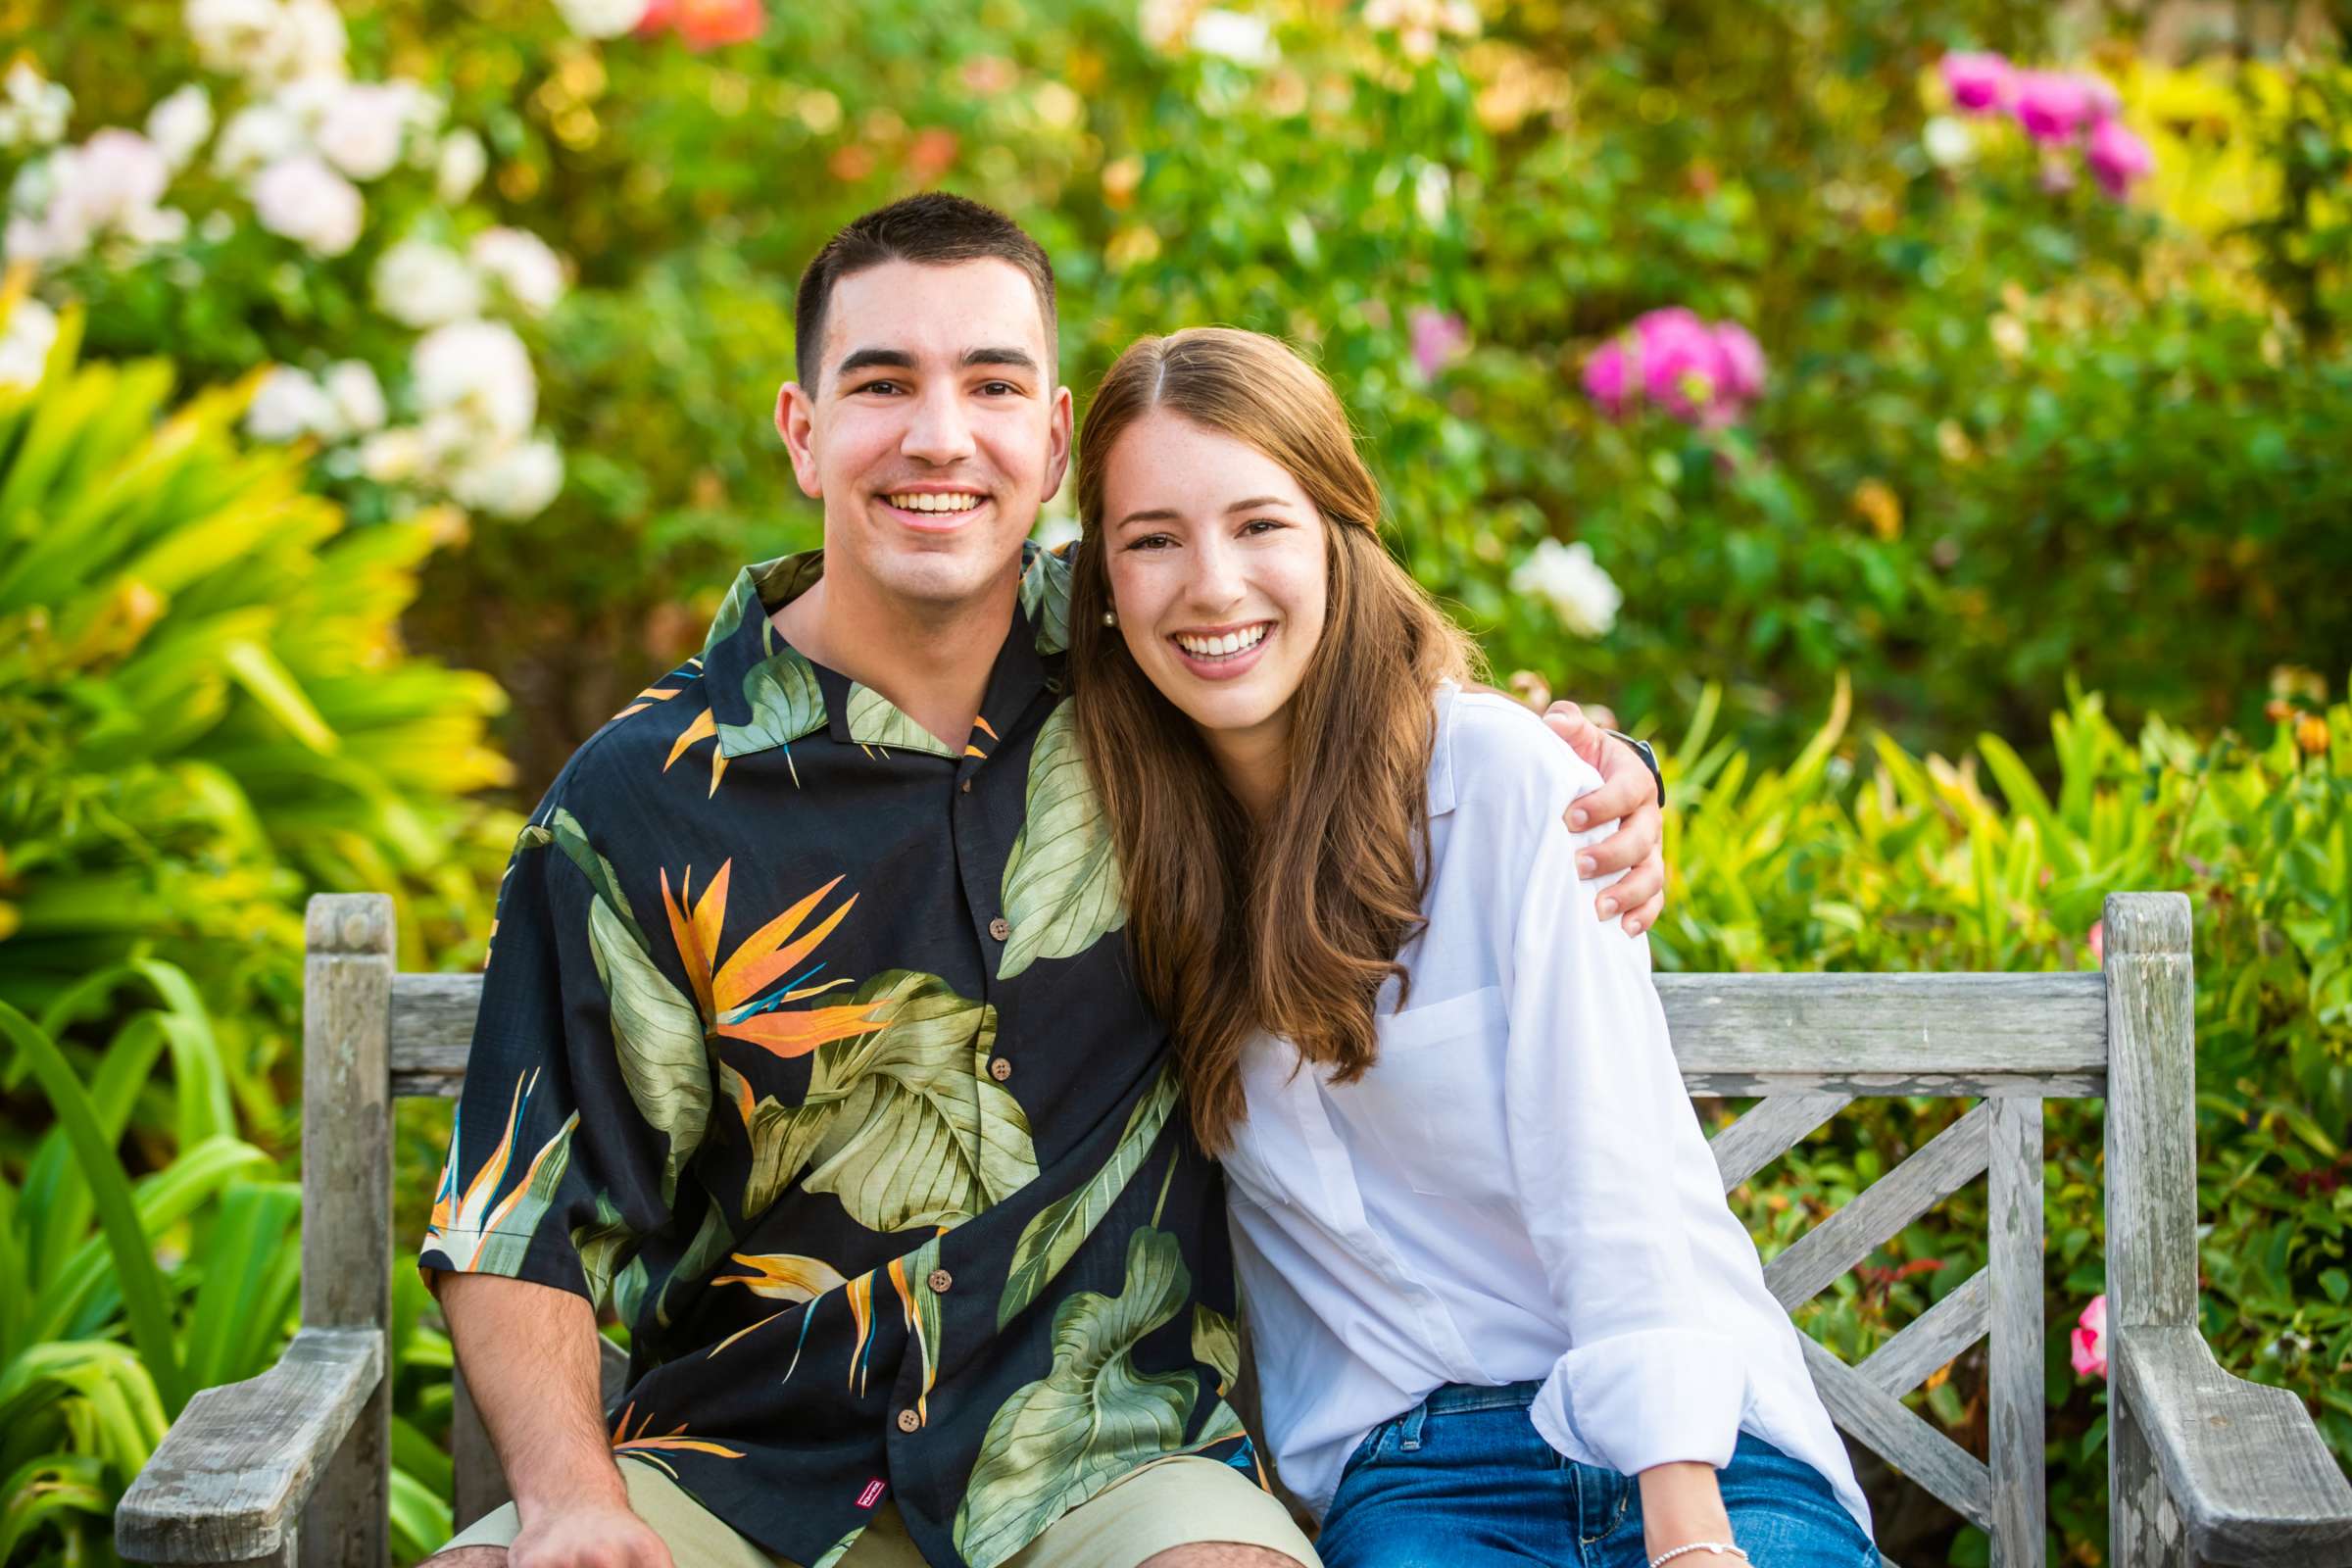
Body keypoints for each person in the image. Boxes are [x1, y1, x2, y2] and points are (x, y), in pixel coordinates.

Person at [418, 195, 1668, 1568]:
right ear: (802, 430)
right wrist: (569, 1500)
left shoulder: (1155, 671)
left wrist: (1609, 766)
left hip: (1112, 1461)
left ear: (1056, 438)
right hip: (744, 1473)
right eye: (883, 383)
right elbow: (518, 1217)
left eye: (992, 385)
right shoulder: (642, 800)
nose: (940, 434)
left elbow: (1379, 711)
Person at [1067, 326, 1877, 1568]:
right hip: (1421, 1475)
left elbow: (1612, 1156)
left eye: (1260, 523)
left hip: (1701, 1450)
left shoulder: (1497, 782)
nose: (1213, 583)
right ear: (1104, 591)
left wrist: (1689, 1530)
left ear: (1341, 537)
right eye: (1154, 539)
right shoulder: (1109, 841)